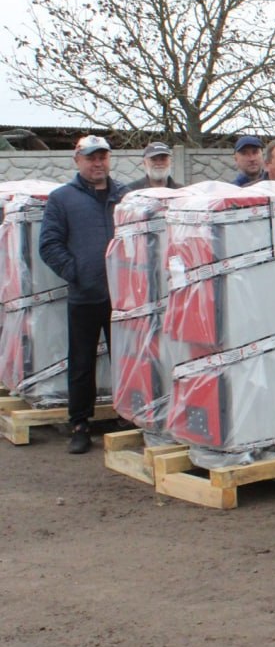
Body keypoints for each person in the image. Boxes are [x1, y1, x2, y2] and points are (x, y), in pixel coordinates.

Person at [38, 136, 128, 454]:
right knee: (81, 362)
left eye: (102, 157)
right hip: (86, 296)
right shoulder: (62, 199)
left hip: (124, 298)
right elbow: (49, 244)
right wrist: (77, 273)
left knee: (128, 358)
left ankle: (129, 417)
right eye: (90, 157)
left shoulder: (124, 196)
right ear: (77, 160)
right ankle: (80, 424)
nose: (97, 163)